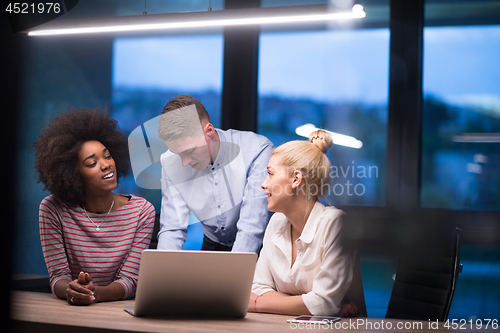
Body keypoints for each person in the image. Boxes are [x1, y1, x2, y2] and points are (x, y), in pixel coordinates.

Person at [34, 108, 155, 306]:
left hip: (119, 314)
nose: (106, 165)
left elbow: (130, 281)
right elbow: (58, 277)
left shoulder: (141, 211)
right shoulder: (53, 209)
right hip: (70, 313)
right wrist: (72, 290)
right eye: (92, 163)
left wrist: (93, 293)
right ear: (72, 173)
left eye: (107, 156)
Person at [248, 130, 359, 316]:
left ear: (296, 179)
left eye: (270, 174)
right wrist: (311, 302)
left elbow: (323, 304)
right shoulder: (276, 221)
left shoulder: (336, 224)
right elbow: (258, 287)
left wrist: (258, 303)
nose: (263, 184)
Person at [157, 95, 274, 253]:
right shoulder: (170, 163)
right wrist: (161, 274)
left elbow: (251, 228)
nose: (184, 162)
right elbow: (172, 229)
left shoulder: (256, 150)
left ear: (209, 131)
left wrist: (234, 273)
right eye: (177, 153)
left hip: (262, 247)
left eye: (189, 151)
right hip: (212, 245)